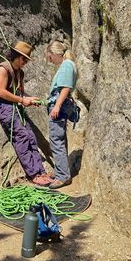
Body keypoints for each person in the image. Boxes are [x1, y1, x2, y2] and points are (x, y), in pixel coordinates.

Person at [0, 41, 52, 186]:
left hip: (15, 103)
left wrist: (30, 99)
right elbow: (1, 91)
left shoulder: (20, 72)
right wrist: (22, 100)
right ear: (16, 56)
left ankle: (41, 172)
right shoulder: (3, 69)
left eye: (26, 60)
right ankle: (34, 174)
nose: (25, 62)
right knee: (22, 137)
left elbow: (20, 92)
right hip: (3, 105)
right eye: (24, 59)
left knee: (31, 136)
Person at [45, 41, 77, 189]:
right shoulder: (67, 65)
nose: (49, 59)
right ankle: (60, 171)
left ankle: (63, 176)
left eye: (50, 56)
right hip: (60, 106)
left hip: (59, 107)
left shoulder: (66, 65)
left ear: (55, 53)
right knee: (59, 139)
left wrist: (56, 106)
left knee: (56, 140)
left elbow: (65, 88)